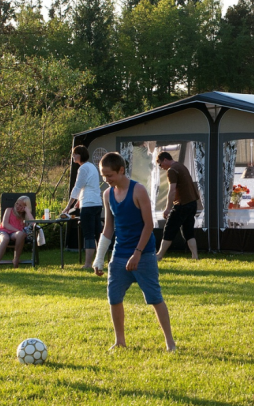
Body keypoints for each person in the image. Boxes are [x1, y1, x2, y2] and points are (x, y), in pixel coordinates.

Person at [92, 152, 176, 352]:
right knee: (114, 298)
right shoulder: (108, 195)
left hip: (143, 254)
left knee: (155, 298)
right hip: (119, 255)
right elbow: (108, 228)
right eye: (103, 176)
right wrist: (98, 259)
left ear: (121, 170)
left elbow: (149, 225)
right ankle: (120, 341)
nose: (106, 180)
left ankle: (170, 343)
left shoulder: (138, 191)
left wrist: (137, 253)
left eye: (109, 175)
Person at [62, 145, 103, 270]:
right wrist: (79, 201)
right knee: (97, 232)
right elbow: (90, 185)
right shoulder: (92, 167)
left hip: (89, 204)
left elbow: (77, 187)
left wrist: (68, 206)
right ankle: (99, 261)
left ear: (81, 155)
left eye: (75, 154)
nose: (73, 156)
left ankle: (88, 264)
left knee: (89, 234)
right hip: (97, 203)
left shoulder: (83, 168)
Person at [155, 151, 201, 261]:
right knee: (188, 231)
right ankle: (195, 256)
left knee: (169, 229)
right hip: (192, 203)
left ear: (165, 160)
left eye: (160, 164)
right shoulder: (181, 166)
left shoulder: (172, 170)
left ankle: (159, 255)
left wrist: (167, 208)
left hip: (181, 205)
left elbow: (172, 190)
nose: (161, 167)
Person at [0, 195, 35, 270]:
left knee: (21, 234)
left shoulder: (24, 216)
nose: (17, 206)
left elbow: (33, 224)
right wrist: (17, 230)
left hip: (14, 234)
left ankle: (16, 260)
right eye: (17, 203)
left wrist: (27, 211)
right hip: (3, 231)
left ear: (25, 207)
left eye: (20, 205)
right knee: (5, 238)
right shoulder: (9, 210)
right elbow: (5, 224)